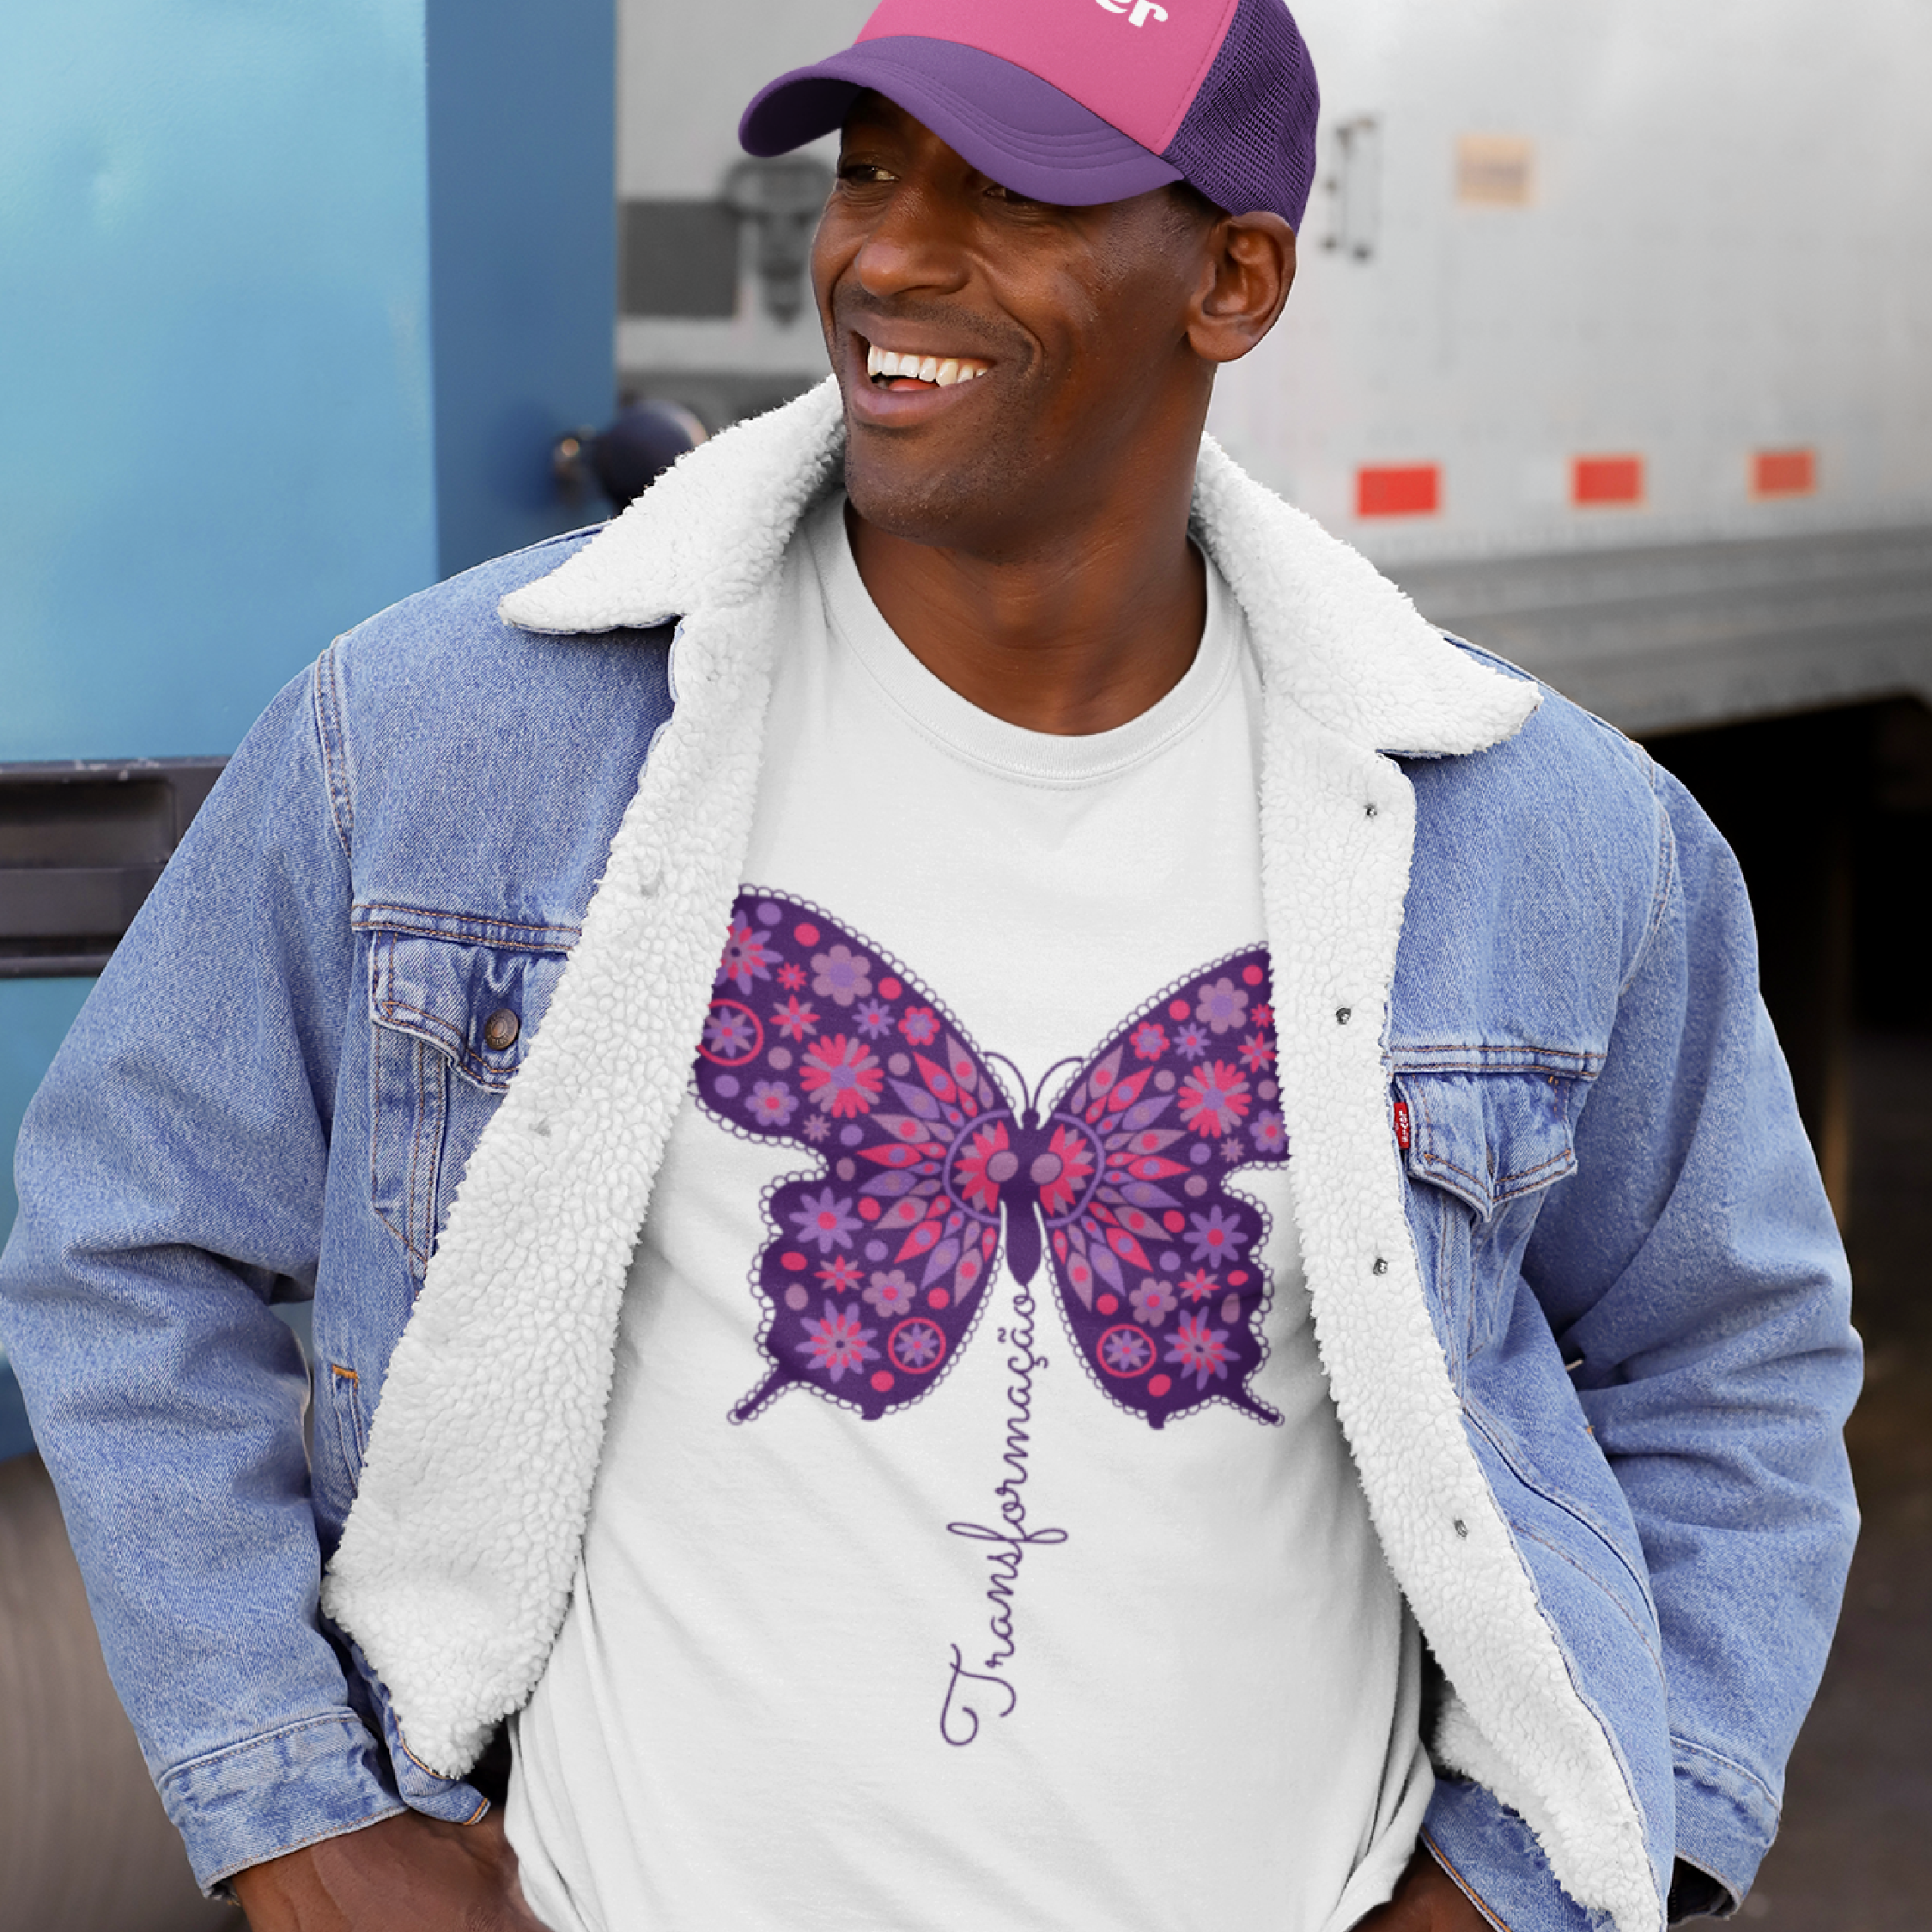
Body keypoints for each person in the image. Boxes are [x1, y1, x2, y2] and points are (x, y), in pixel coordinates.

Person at [0, 2, 1859, 1929]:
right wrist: (298, 1822)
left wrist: (1528, 1886)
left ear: (1232, 280)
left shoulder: (1542, 834)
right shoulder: (451, 733)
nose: (889, 254)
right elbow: (128, 1232)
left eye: (1015, 192)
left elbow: (1732, 1364)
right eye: (871, 171)